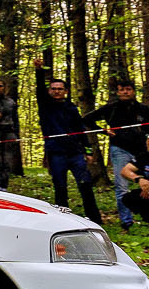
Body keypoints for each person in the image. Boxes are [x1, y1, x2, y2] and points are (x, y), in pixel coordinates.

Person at [33, 60, 102, 223]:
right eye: (53, 89)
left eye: (60, 89)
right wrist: (39, 71)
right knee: (60, 187)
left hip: (76, 153)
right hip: (56, 153)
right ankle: (62, 221)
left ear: (66, 91)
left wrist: (88, 150)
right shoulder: (45, 105)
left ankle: (94, 218)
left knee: (85, 184)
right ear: (49, 91)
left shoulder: (71, 108)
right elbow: (40, 90)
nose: (57, 91)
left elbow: (81, 130)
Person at [90, 80, 149, 226]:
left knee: (148, 183)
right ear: (118, 92)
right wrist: (103, 131)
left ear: (133, 91)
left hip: (141, 150)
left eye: (128, 89)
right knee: (121, 186)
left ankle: (147, 217)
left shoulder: (143, 109)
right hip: (119, 149)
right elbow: (87, 119)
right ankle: (126, 221)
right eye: (121, 90)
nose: (125, 92)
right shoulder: (111, 108)